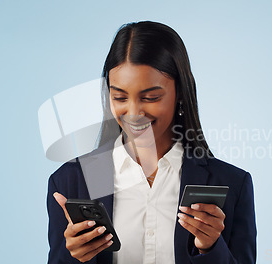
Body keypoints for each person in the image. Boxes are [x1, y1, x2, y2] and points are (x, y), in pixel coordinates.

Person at [47, 21, 256, 264]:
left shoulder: (232, 184)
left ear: (180, 93)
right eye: (120, 97)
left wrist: (210, 248)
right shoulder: (70, 182)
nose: (133, 112)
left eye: (151, 97)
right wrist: (75, 258)